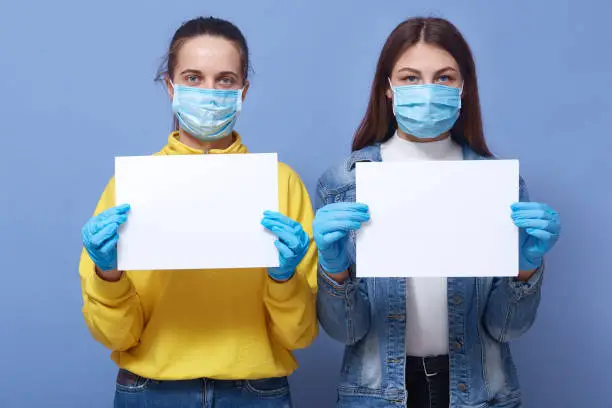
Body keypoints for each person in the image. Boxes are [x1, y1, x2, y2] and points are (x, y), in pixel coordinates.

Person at [313, 17, 561, 408]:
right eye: (411, 77)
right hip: (378, 396)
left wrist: (526, 268)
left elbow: (507, 328)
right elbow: (345, 332)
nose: (427, 90)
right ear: (388, 88)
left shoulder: (498, 186)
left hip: (478, 393)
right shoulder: (344, 183)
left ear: (463, 88)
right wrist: (334, 270)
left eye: (444, 78)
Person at [79, 16, 318, 408]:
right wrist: (108, 275)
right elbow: (116, 336)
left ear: (244, 90)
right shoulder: (131, 186)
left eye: (225, 79)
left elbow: (300, 336)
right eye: (193, 77)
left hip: (256, 392)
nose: (210, 91)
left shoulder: (281, 184)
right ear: (170, 86)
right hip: (149, 391)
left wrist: (284, 279)